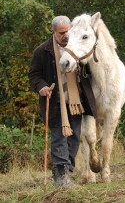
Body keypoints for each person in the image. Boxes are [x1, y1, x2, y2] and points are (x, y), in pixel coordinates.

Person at [29, 16, 86, 188]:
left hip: (75, 101)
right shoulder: (42, 51)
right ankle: (61, 177)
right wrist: (41, 86)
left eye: (68, 31)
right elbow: (34, 75)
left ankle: (65, 173)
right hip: (54, 101)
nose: (66, 35)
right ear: (54, 32)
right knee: (59, 137)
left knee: (74, 137)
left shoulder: (76, 47)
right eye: (62, 33)